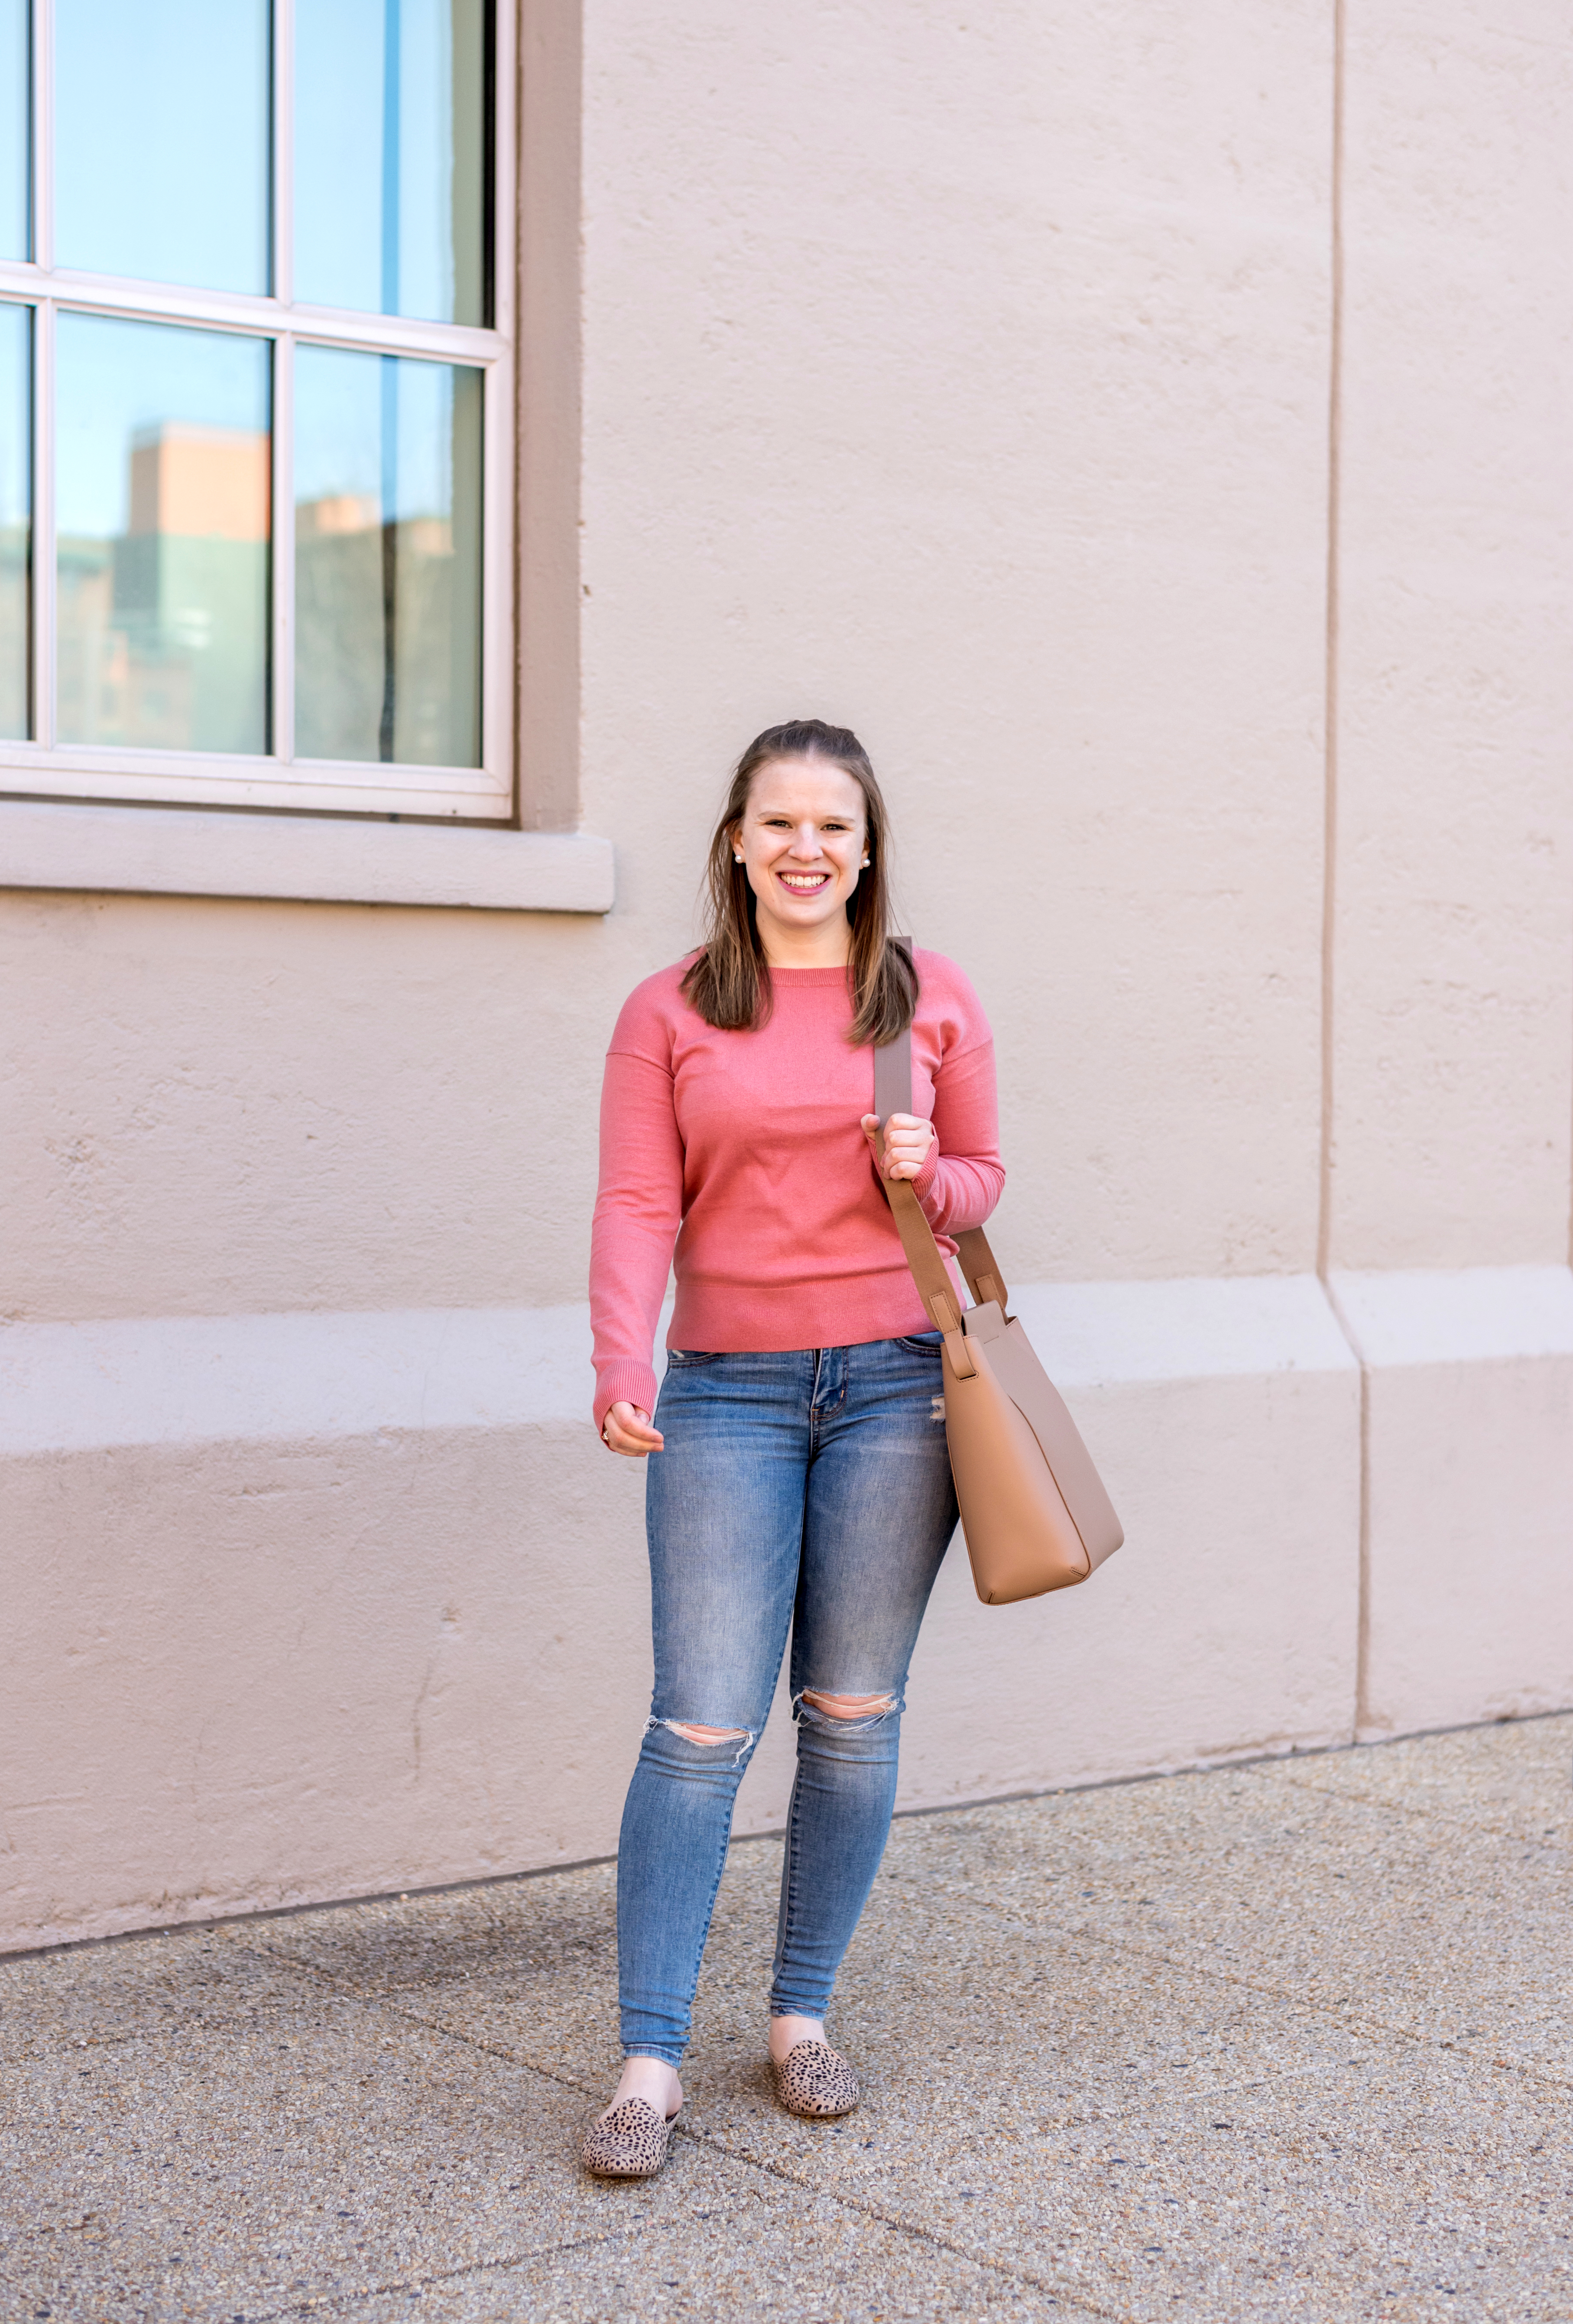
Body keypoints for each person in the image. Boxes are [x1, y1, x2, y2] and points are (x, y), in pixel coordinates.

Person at [582, 720, 1003, 2178]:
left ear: (867, 845)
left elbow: (981, 1181)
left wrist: (923, 1172)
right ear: (738, 843)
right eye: (777, 823)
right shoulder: (673, 1009)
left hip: (899, 1387)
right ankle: (647, 2060)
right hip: (725, 1393)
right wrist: (617, 1357)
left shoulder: (925, 998)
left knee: (850, 1711)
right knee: (698, 1726)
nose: (804, 847)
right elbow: (640, 1202)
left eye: (831, 823)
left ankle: (797, 2017)